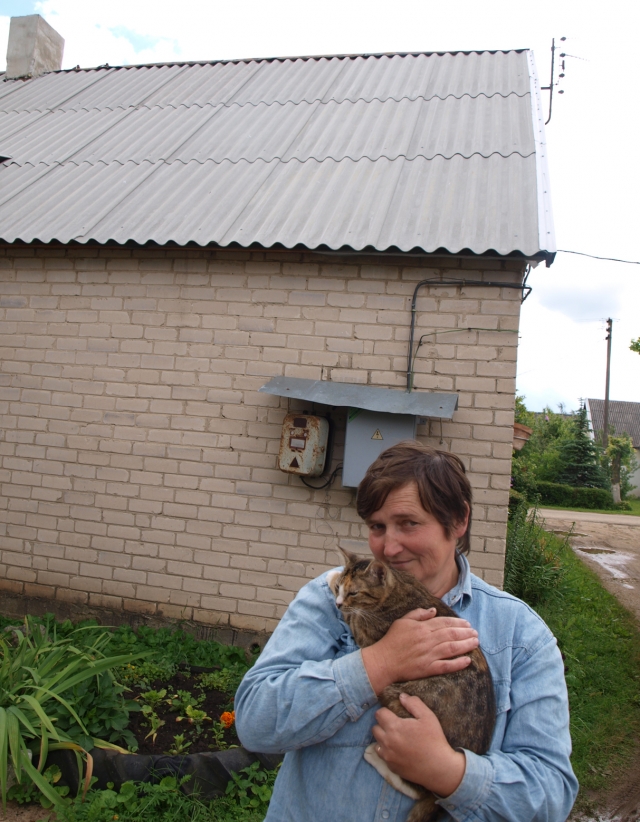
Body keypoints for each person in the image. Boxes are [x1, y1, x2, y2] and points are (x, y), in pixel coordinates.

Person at [235, 441, 578, 821]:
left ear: (459, 521)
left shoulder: (520, 636)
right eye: (377, 527)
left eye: (409, 523)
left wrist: (448, 771)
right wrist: (378, 664)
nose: (389, 547)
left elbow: (551, 795)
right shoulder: (330, 599)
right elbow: (255, 722)